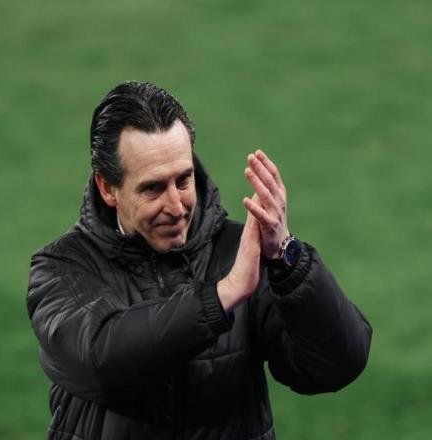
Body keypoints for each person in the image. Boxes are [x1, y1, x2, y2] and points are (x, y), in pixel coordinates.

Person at [27, 81, 372, 440]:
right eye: (153, 188)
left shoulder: (241, 252)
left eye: (183, 180)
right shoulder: (61, 269)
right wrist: (223, 296)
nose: (176, 206)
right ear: (107, 188)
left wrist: (288, 260)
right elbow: (102, 363)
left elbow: (336, 366)